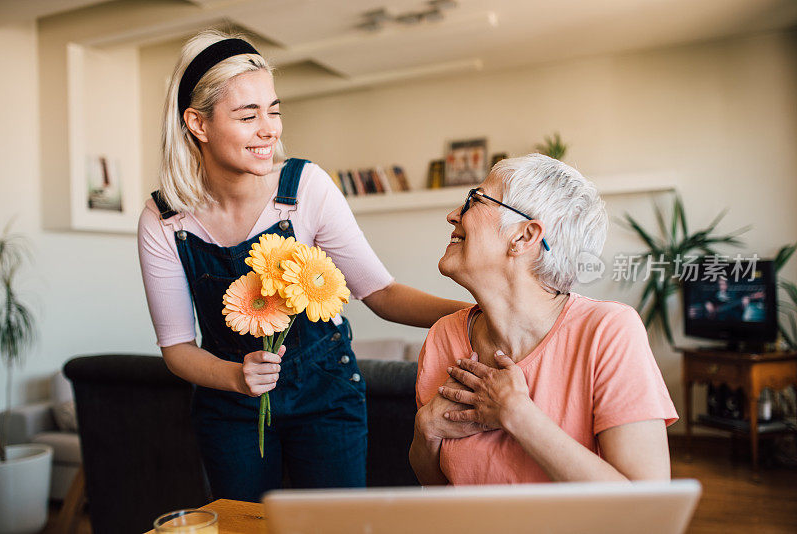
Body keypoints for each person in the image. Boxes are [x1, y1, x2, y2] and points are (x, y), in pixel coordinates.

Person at [137, 30, 468, 502]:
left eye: (273, 110)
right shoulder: (165, 220)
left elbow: (381, 294)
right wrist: (235, 377)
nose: (269, 129)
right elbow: (176, 348)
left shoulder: (305, 188)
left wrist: (480, 313)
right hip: (229, 408)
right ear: (197, 123)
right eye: (248, 115)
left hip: (327, 397)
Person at [409, 154, 678, 485]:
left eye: (474, 200)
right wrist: (426, 429)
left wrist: (517, 415)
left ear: (524, 236)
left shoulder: (609, 331)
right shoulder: (443, 336)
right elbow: (435, 488)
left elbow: (647, 512)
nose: (453, 216)